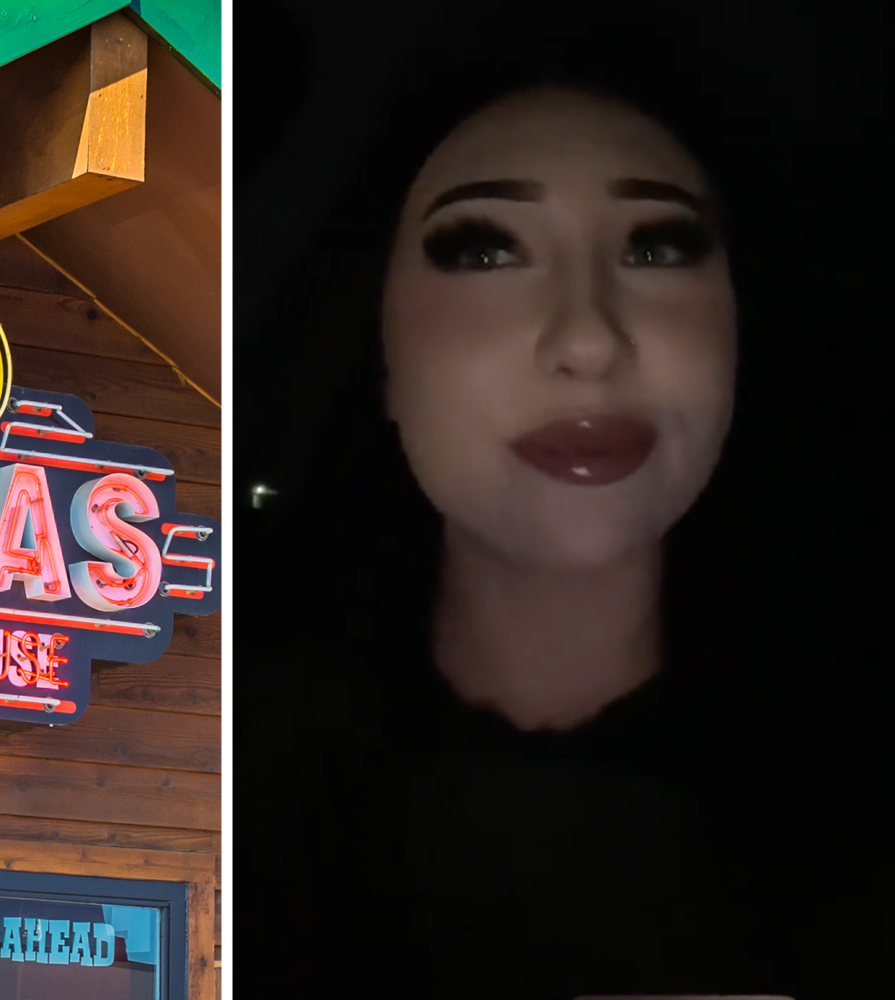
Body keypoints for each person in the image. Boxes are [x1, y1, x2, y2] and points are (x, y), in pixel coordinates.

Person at [233, 19, 885, 1000]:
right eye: (483, 249)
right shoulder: (201, 795)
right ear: (377, 348)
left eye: (658, 247)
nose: (586, 337)